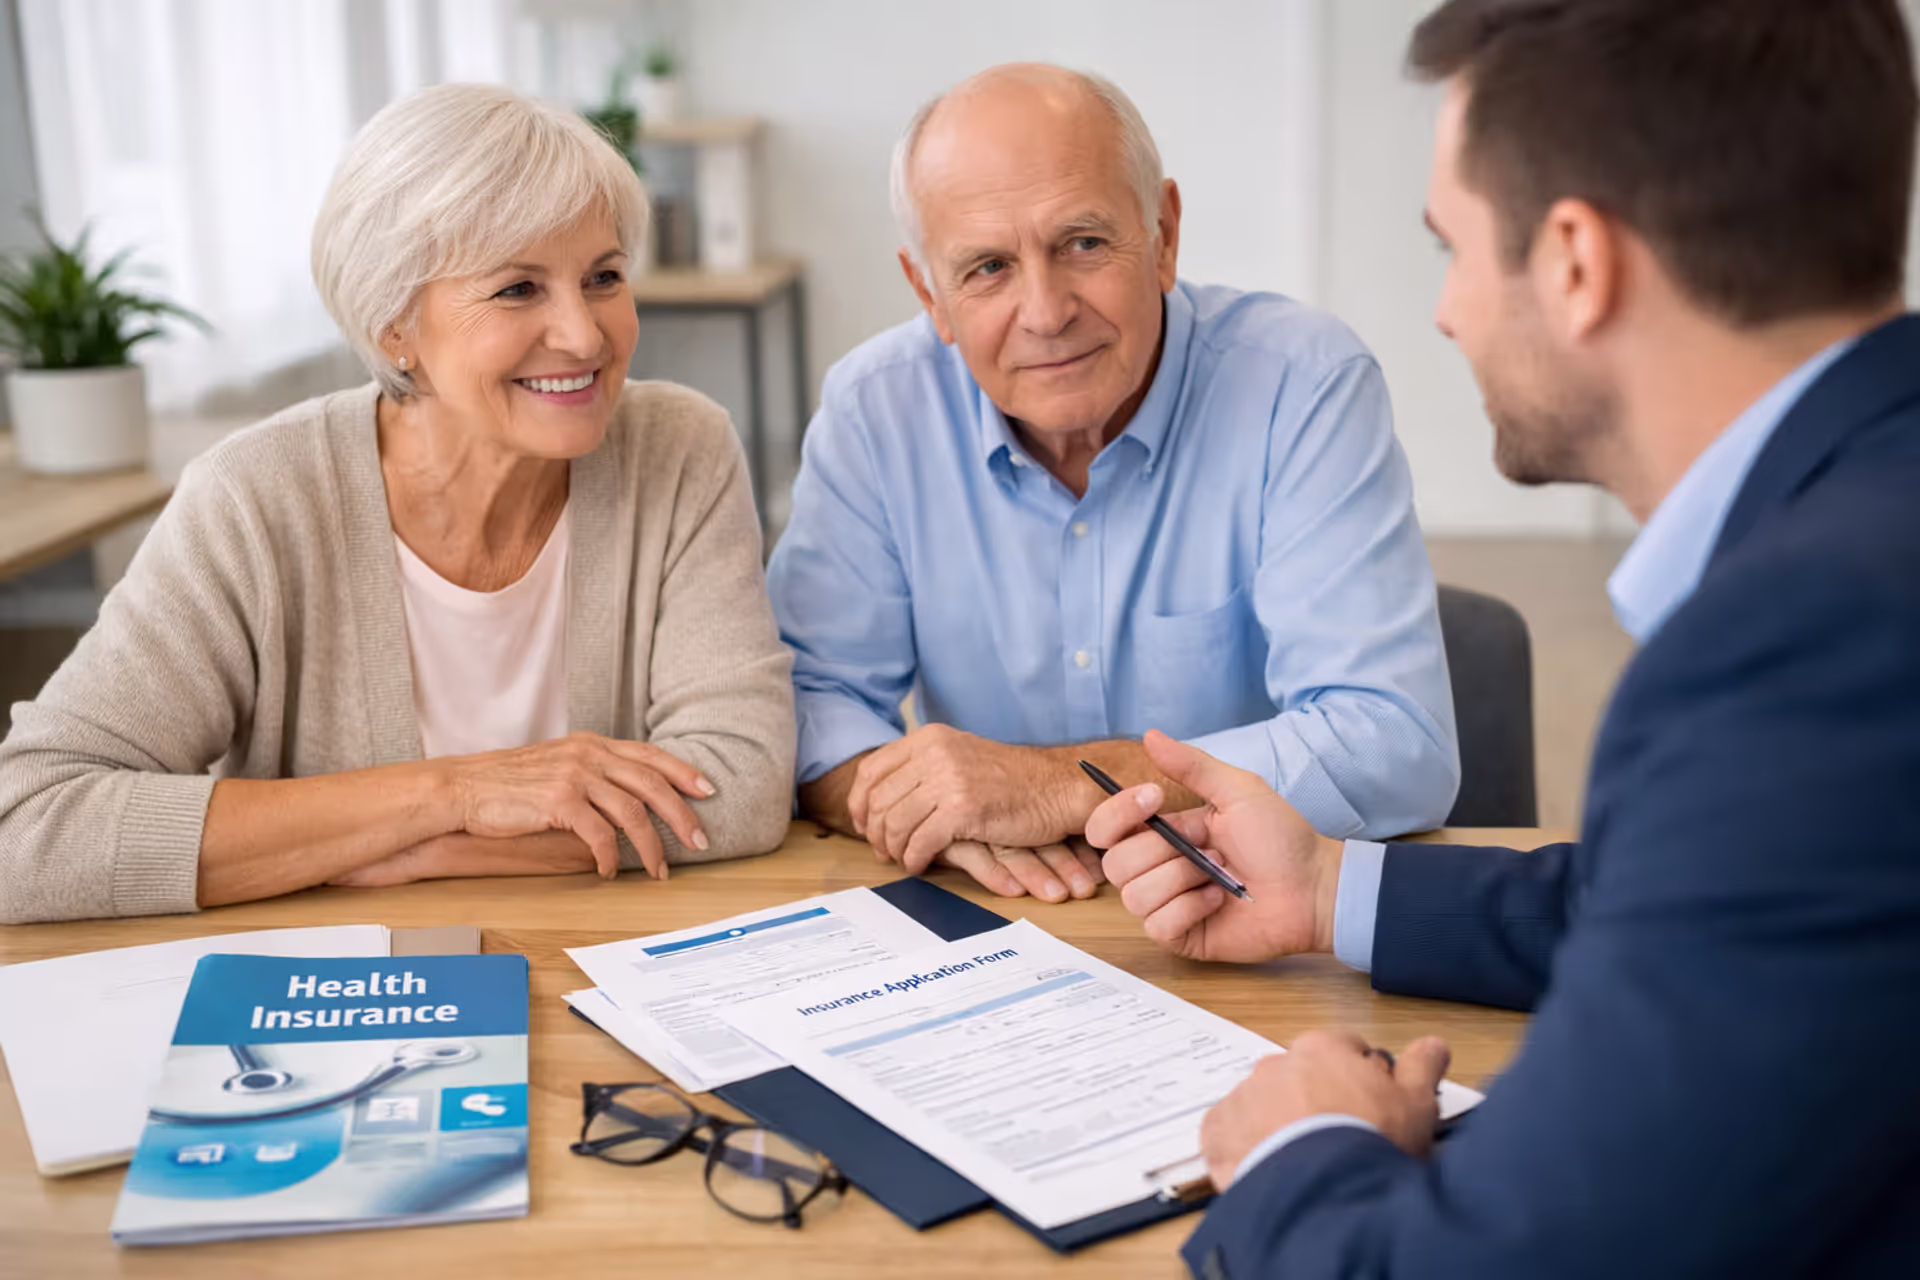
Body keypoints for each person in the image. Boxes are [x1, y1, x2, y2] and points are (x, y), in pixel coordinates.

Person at [1087, 0, 1920, 1274]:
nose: (1448, 313)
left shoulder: (1802, 645)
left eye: (1453, 248)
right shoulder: (1869, 520)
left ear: (1578, 263)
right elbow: (1702, 905)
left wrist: (1298, 1150)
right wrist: (1321, 888)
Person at [0, 84, 795, 924]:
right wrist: (453, 794)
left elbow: (739, 782)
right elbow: (28, 831)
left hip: (608, 972)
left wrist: (427, 853)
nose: (587, 336)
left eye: (603, 277)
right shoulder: (259, 496)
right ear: (394, 328)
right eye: (518, 289)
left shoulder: (680, 447)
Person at [768, 63, 1458, 904]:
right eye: (987, 267)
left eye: (1083, 244)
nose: (1046, 310)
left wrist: (1060, 786)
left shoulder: (1302, 384)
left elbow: (1395, 744)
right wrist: (924, 811)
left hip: (1251, 911)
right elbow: (809, 705)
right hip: (1002, 921)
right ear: (930, 295)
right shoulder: (875, 409)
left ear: (1163, 234)